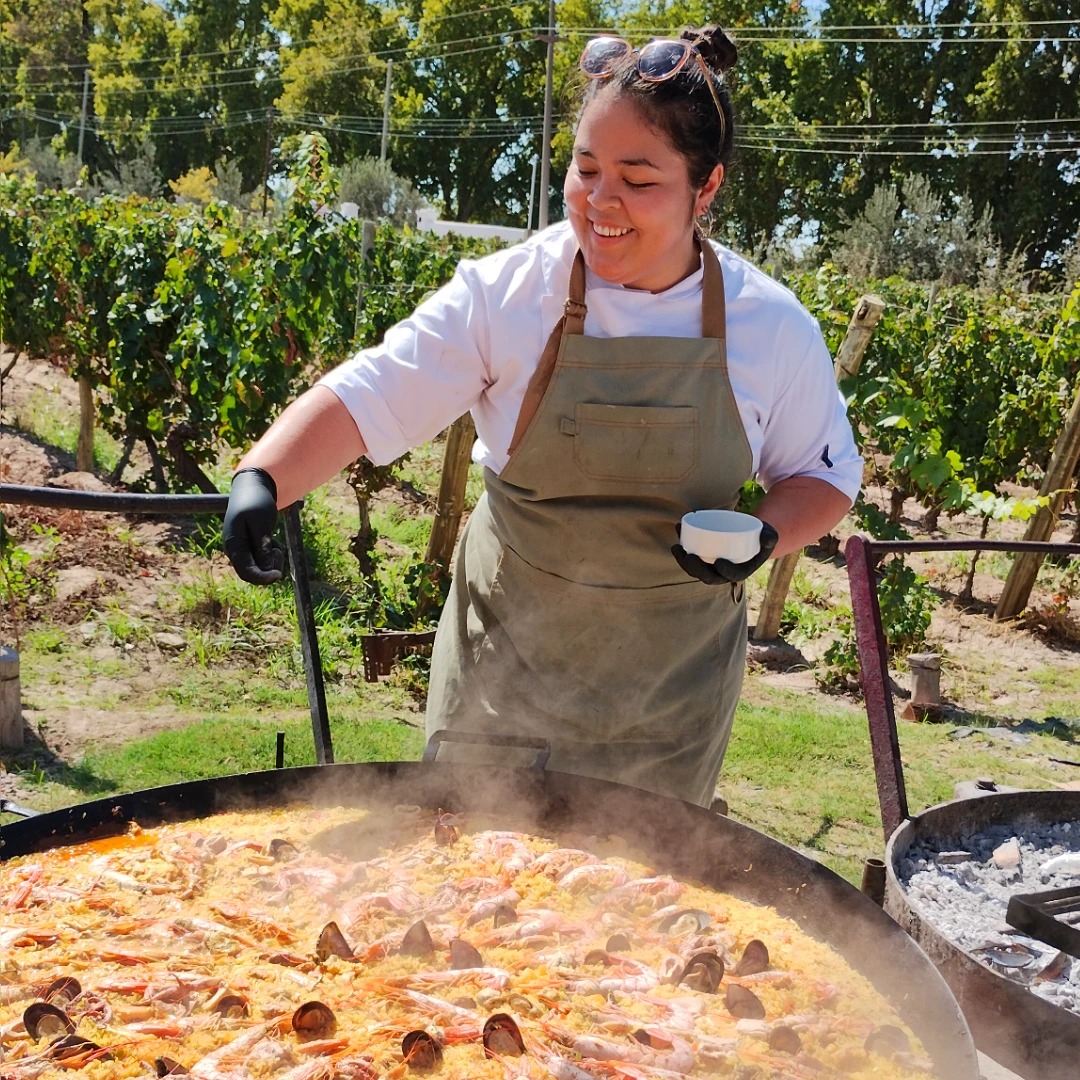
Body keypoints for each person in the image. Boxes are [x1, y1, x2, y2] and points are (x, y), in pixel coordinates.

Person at [222, 24, 862, 808]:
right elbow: (375, 392)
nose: (601, 201)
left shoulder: (772, 326)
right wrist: (264, 475)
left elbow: (822, 477)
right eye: (585, 168)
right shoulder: (511, 293)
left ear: (707, 187)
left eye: (638, 178)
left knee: (637, 910)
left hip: (669, 701)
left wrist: (766, 533)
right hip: (504, 673)